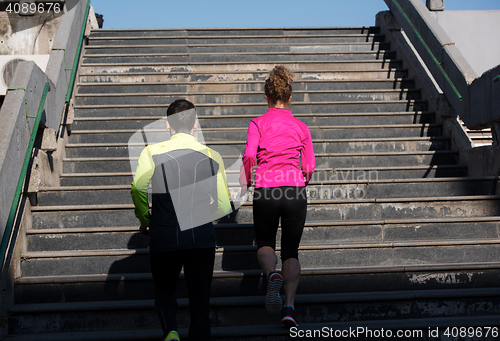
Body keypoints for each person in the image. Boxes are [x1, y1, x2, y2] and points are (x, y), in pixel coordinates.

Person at [131, 99, 231, 341]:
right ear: (195, 124)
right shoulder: (211, 154)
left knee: (164, 289)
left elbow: (137, 188)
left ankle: (171, 332)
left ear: (168, 125)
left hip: (164, 235)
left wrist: (146, 220)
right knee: (200, 302)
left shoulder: (151, 152)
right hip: (201, 237)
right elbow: (224, 205)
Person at [240, 65, 315, 328]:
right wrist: (301, 180)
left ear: (266, 96)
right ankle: (290, 307)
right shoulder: (301, 126)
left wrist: (248, 180)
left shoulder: (258, 123)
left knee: (265, 243)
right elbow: (309, 167)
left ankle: (272, 274)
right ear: (290, 97)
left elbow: (250, 155)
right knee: (291, 251)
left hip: (267, 189)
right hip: (294, 189)